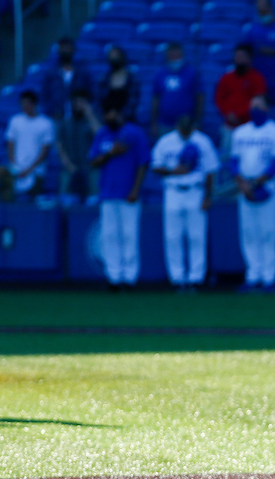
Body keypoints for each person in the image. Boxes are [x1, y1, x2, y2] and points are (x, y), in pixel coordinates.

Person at [150, 115, 220, 291]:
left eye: (188, 129)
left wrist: (207, 197)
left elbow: (211, 171)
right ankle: (177, 277)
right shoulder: (166, 141)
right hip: (173, 191)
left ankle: (196, 278)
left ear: (193, 126)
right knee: (173, 236)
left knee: (196, 236)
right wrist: (174, 171)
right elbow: (155, 165)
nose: (185, 132)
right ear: (177, 126)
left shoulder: (202, 141)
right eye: (183, 128)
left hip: (195, 190)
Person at [88, 99, 149, 290]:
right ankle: (113, 277)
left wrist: (136, 189)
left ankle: (129, 277)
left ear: (120, 114)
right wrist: (110, 153)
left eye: (112, 113)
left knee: (129, 235)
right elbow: (93, 162)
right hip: (108, 192)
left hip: (128, 193)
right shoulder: (103, 134)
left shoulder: (135, 133)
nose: (109, 117)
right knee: (110, 236)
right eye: (106, 114)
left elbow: (143, 162)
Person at [231, 96, 275, 292]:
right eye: (252, 106)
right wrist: (243, 184)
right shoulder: (241, 132)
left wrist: (257, 182)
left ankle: (269, 277)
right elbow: (233, 161)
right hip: (246, 188)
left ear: (266, 107)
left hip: (268, 188)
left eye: (259, 105)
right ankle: (252, 274)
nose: (255, 109)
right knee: (248, 233)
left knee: (268, 233)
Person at [42, 36, 96, 200]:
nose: (65, 51)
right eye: (62, 48)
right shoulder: (51, 73)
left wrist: (86, 110)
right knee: (61, 151)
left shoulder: (82, 72)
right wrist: (53, 111)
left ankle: (88, 192)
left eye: (68, 47)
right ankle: (64, 194)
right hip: (59, 118)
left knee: (83, 151)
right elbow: (45, 96)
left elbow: (90, 94)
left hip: (79, 119)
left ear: (73, 50)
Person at [214, 45, 268, 156]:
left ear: (249, 58)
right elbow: (219, 98)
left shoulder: (256, 78)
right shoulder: (226, 78)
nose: (239, 59)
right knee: (226, 155)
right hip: (229, 125)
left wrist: (239, 115)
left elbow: (258, 101)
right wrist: (228, 113)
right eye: (237, 56)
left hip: (249, 126)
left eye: (242, 56)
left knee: (247, 155)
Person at [5, 90, 55, 200]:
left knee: (34, 203)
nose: (24, 106)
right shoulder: (15, 121)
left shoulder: (46, 123)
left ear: (34, 104)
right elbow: (10, 143)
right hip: (17, 170)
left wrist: (29, 169)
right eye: (22, 103)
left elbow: (45, 150)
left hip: (36, 171)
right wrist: (15, 165)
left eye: (27, 103)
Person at [150, 42, 204, 139]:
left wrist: (198, 121)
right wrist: (154, 122)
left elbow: (199, 98)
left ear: (182, 55)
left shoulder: (192, 73)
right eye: (172, 56)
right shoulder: (160, 74)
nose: (175, 59)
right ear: (167, 56)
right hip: (164, 124)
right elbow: (155, 98)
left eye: (177, 56)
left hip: (187, 124)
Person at [98, 46, 141, 123]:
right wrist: (106, 115)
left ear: (122, 57)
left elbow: (133, 101)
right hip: (107, 120)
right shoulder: (104, 79)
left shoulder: (132, 79)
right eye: (111, 56)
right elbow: (100, 100)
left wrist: (121, 116)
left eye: (116, 55)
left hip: (127, 121)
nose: (113, 58)